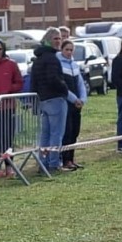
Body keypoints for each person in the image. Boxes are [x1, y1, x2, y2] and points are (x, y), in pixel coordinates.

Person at [32, 28, 70, 170]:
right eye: (55, 39)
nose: (58, 42)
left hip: (43, 100)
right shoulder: (52, 59)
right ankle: (54, 163)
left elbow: (34, 82)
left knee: (45, 135)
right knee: (56, 134)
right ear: (48, 40)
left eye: (60, 39)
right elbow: (54, 79)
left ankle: (43, 163)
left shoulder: (38, 59)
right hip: (55, 99)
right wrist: (64, 89)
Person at [60, 39, 89, 167]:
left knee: (75, 132)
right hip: (66, 103)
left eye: (71, 50)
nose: (69, 52)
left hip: (77, 105)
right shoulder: (59, 65)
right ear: (62, 50)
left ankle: (71, 158)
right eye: (66, 49)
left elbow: (80, 84)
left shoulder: (75, 65)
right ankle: (65, 160)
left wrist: (82, 99)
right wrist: (74, 99)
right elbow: (62, 87)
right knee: (67, 131)